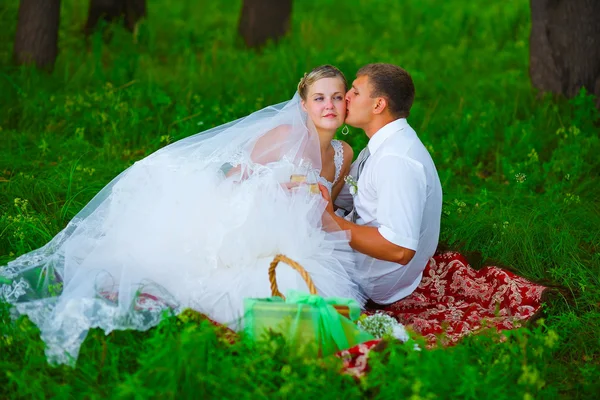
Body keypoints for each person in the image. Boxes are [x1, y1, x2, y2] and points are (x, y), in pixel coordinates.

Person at [0, 65, 363, 365]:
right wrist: (278, 189)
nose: (328, 105)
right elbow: (235, 181)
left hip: (298, 233)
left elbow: (323, 206)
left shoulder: (343, 151)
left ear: (346, 104)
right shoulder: (283, 136)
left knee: (308, 281)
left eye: (336, 97)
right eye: (319, 98)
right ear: (303, 105)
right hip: (249, 220)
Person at [321, 63, 443, 306]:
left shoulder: (396, 161)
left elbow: (399, 249)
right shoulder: (384, 145)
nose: (346, 97)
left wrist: (332, 223)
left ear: (378, 105)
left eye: (355, 92)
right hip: (368, 259)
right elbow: (348, 195)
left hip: (375, 281)